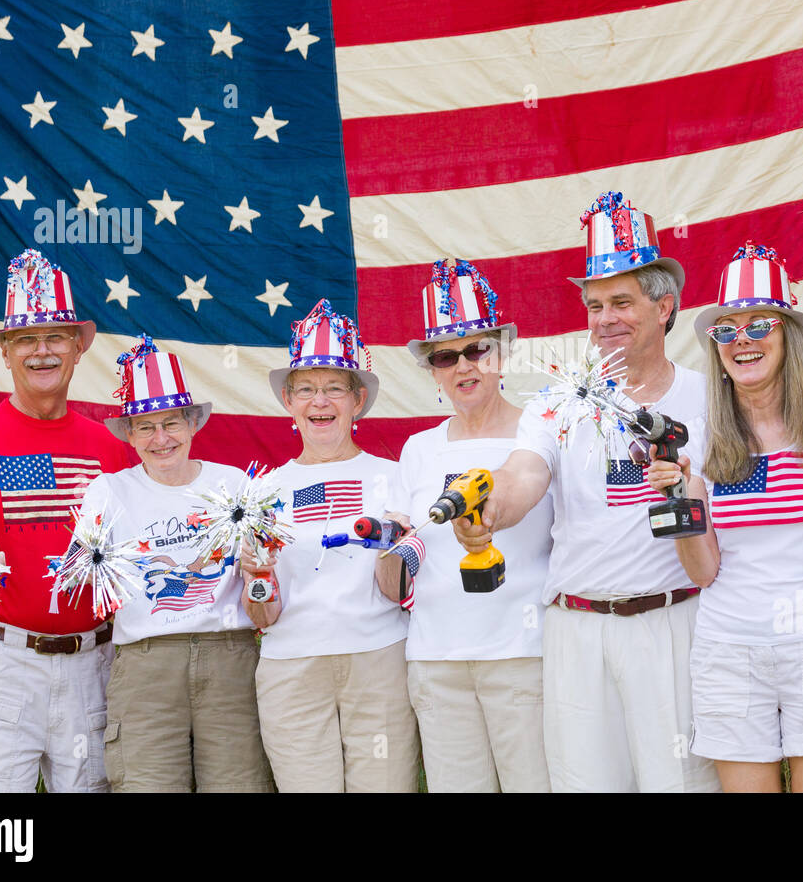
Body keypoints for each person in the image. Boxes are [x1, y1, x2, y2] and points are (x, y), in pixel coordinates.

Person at [453, 191, 720, 792]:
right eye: (594, 304)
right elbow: (526, 472)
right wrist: (490, 512)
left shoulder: (709, 397)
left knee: (684, 783)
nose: (605, 319)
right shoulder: (557, 403)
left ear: (664, 307)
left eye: (622, 302)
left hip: (673, 618)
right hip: (577, 626)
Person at [647, 244, 803, 792]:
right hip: (728, 647)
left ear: (788, 335)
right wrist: (680, 497)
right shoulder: (698, 435)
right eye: (726, 329)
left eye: (759, 324)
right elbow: (703, 572)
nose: (742, 340)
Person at [0, 249, 129, 792]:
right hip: (2, 660)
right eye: (26, 340)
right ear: (6, 354)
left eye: (57, 336)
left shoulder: (111, 447)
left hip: (93, 662)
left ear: (79, 349)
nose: (43, 351)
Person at [68, 335, 273, 792]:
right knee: (146, 784)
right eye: (145, 427)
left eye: (172, 423)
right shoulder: (108, 491)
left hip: (230, 656)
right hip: (146, 661)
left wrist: (262, 570)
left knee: (240, 784)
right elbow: (80, 574)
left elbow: (265, 576)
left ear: (192, 423)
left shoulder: (233, 483)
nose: (161, 439)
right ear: (130, 434)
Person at [240, 300, 419, 792]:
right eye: (306, 390)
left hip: (378, 657)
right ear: (289, 402)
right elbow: (261, 615)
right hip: (291, 667)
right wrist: (257, 579)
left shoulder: (395, 478)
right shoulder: (262, 491)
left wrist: (397, 551)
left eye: (334, 389)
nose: (320, 402)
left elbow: (405, 588)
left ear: (357, 400)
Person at [386, 259, 552, 792]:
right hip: (437, 660)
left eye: (478, 349)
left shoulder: (542, 431)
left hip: (524, 656)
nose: (465, 366)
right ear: (433, 370)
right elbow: (406, 554)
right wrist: (387, 546)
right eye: (446, 356)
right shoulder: (418, 448)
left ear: (502, 353)